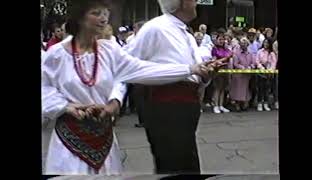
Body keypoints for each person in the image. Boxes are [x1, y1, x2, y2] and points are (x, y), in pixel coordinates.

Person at [42, 0, 216, 175]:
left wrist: (115, 101)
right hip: (70, 137)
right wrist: (66, 107)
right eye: (96, 13)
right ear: (79, 18)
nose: (103, 19)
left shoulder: (109, 50)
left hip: (104, 137)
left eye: (105, 13)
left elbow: (134, 70)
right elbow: (44, 88)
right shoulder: (56, 54)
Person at [123, 0, 230, 174]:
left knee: (188, 163)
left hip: (188, 108)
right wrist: (187, 69)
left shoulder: (187, 34)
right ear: (179, 3)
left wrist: (206, 74)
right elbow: (127, 68)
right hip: (164, 109)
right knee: (174, 164)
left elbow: (194, 75)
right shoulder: (155, 28)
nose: (195, 2)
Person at [229, 37, 256, 112]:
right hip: (238, 74)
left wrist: (250, 67)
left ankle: (244, 103)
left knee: (245, 90)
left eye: (245, 43)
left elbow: (253, 63)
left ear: (247, 44)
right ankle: (237, 104)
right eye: (242, 43)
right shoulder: (236, 53)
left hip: (247, 75)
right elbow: (235, 63)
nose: (243, 45)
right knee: (237, 90)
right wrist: (242, 67)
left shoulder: (250, 53)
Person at [211, 33, 233, 114]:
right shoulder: (214, 49)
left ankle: (221, 105)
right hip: (217, 70)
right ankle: (216, 106)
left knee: (223, 88)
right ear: (216, 40)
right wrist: (223, 60)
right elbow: (214, 60)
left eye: (223, 39)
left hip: (226, 70)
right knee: (217, 88)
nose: (221, 41)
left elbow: (231, 54)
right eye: (220, 39)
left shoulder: (226, 49)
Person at [256, 38, 278, 111]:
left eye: (267, 43)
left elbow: (274, 62)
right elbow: (257, 61)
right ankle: (259, 103)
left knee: (267, 89)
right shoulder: (259, 51)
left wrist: (270, 70)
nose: (266, 44)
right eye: (265, 42)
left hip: (269, 73)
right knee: (260, 88)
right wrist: (261, 68)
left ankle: (265, 103)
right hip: (261, 72)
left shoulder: (272, 53)